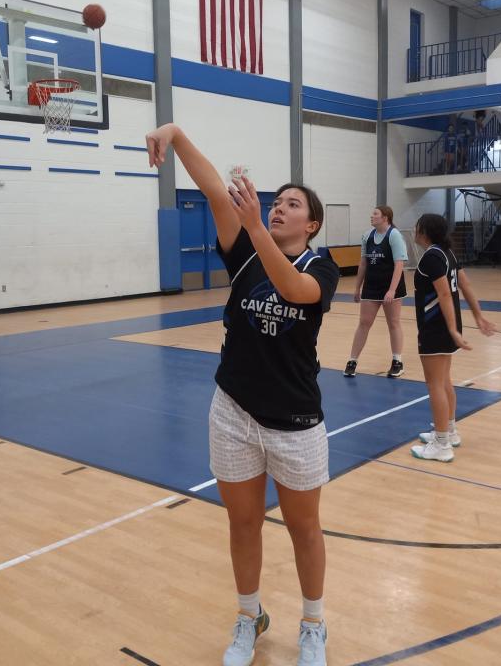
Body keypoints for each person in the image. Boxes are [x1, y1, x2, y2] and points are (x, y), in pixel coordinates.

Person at [145, 124, 340, 666]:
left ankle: (313, 623)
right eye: (275, 202)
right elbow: (212, 189)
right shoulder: (245, 252)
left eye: (292, 204)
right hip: (232, 411)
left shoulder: (319, 267)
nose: (280, 207)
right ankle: (248, 616)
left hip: (296, 421)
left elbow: (295, 293)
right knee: (243, 522)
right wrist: (177, 134)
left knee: (304, 527)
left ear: (313, 223)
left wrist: (255, 226)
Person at [410, 214, 494, 462]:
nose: (414, 230)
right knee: (444, 380)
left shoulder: (432, 258)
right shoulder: (448, 253)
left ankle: (441, 444)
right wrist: (477, 316)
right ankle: (449, 431)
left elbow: (445, 294)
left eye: (417, 226)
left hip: (436, 327)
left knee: (435, 384)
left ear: (424, 231)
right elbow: (465, 286)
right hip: (446, 326)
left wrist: (453, 329)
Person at [344, 206, 408, 378]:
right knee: (364, 322)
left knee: (393, 323)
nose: (371, 216)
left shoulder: (394, 235)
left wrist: (392, 290)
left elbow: (399, 264)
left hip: (390, 286)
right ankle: (352, 361)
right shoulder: (367, 235)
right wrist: (357, 288)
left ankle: (397, 362)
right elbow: (363, 263)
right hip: (371, 286)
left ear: (385, 218)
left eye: (375, 214)